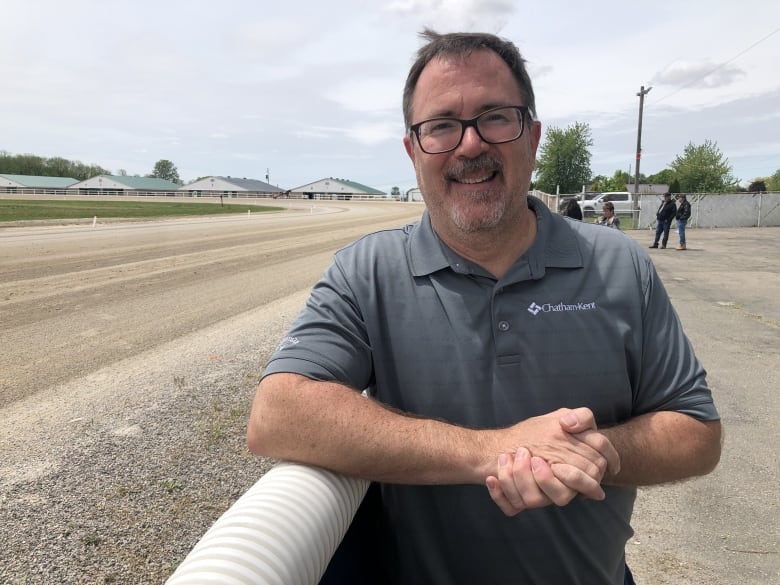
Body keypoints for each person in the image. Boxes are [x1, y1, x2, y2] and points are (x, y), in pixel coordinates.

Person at [247, 30, 721, 585]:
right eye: (441, 125)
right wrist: (498, 451)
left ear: (533, 137)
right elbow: (277, 413)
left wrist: (588, 453)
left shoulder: (619, 265)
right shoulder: (367, 271)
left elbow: (696, 431)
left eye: (495, 117)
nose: (469, 145)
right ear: (412, 151)